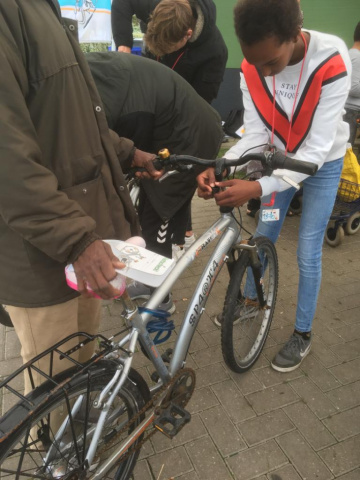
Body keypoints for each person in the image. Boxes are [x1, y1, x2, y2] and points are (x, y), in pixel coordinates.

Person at [0, 0, 161, 393]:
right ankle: (55, 450)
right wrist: (77, 241)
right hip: (43, 256)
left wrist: (127, 152)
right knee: (51, 392)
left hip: (81, 240)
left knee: (79, 374)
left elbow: (74, 121)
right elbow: (8, 157)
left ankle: (80, 443)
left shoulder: (43, 8)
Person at [197, 0, 351, 372]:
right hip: (277, 158)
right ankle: (250, 305)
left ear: (293, 36)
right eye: (255, 63)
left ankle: (302, 333)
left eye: (272, 63)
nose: (264, 73)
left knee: (307, 249)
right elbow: (257, 133)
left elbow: (313, 153)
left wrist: (256, 188)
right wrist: (221, 165)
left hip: (323, 163)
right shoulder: (253, 67)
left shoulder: (331, 58)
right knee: (264, 230)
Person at [86, 51, 223, 310]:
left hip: (190, 135)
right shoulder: (88, 81)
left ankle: (161, 298)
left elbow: (111, 157)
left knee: (158, 213)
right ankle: (152, 280)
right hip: (170, 125)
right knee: (152, 202)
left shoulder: (105, 99)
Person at [111, 0, 228, 104]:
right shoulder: (155, 4)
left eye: (166, 50)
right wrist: (124, 47)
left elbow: (200, 106)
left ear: (188, 35)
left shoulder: (215, 53)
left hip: (181, 105)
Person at [344, 21, 360, 148]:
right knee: (347, 151)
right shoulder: (357, 57)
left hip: (350, 111)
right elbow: (354, 88)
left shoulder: (350, 54)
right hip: (352, 111)